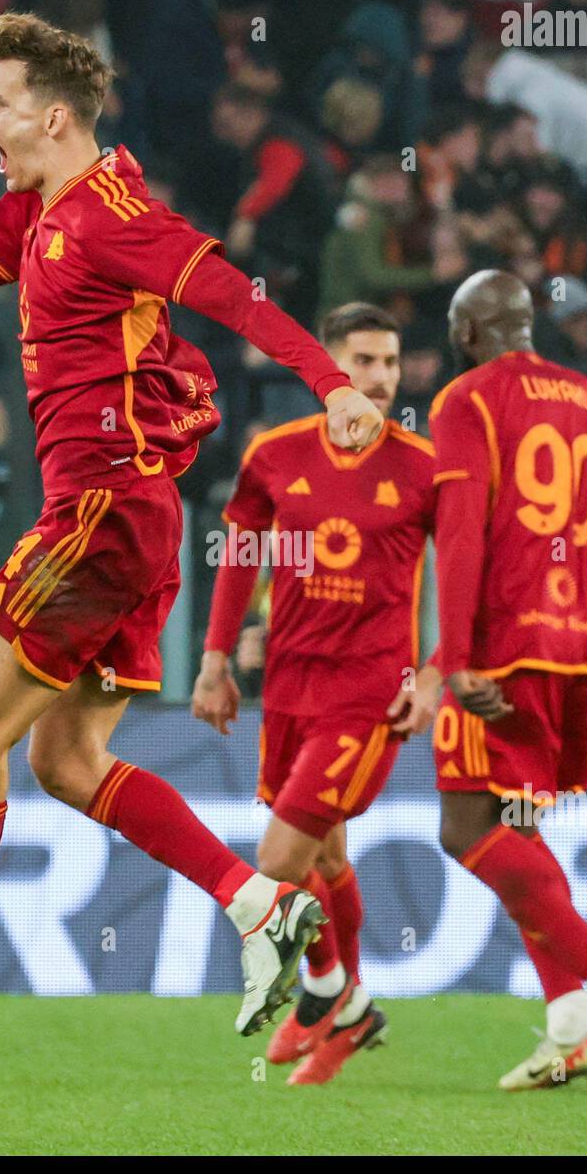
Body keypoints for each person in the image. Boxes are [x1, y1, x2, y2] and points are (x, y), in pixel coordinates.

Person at [0, 12, 384, 1058]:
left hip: (101, 516)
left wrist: (333, 383)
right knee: (67, 763)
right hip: (131, 522)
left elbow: (234, 296)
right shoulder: (37, 212)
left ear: (53, 115)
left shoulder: (114, 215)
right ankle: (255, 901)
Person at [428, 269, 587, 1091]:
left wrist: (456, 656)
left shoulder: (466, 400)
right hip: (581, 654)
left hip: (503, 651)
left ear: (468, 332)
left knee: (466, 830)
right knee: (519, 829)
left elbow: (460, 535)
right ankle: (573, 1028)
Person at [192, 303, 442, 1085]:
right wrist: (215, 658)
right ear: (327, 370)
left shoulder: (426, 467)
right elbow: (241, 554)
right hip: (289, 683)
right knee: (325, 855)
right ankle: (353, 1005)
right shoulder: (274, 456)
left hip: (368, 691)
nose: (379, 378)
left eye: (391, 363)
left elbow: (473, 579)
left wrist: (434, 672)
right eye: (363, 361)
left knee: (276, 861)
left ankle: (327, 989)